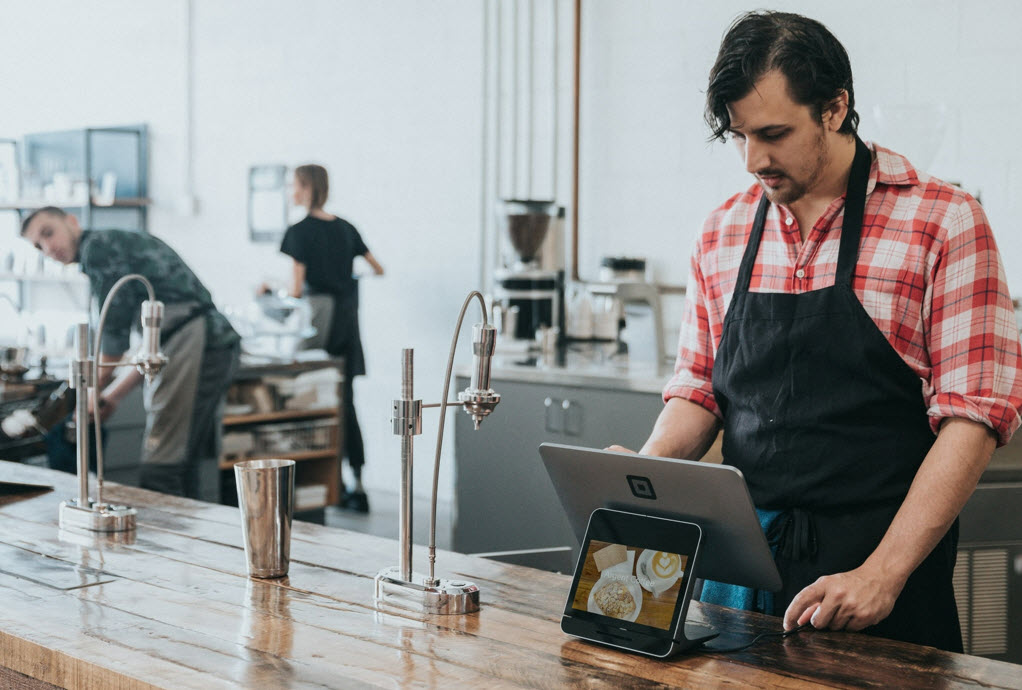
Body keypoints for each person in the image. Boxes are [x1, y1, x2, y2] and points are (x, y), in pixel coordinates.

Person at [611, 11, 1022, 652]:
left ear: (835, 108)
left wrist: (882, 574)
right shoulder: (721, 233)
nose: (754, 160)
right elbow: (698, 390)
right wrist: (643, 472)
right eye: (739, 136)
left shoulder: (944, 223)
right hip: (738, 579)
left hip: (878, 578)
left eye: (773, 133)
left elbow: (973, 420)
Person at [21, 207, 241, 499]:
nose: (48, 248)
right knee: (178, 463)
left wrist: (90, 392)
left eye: (48, 233)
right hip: (201, 342)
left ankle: (170, 541)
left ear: (72, 222)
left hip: (200, 341)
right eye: (38, 246)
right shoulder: (112, 245)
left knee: (162, 467)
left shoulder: (99, 249)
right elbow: (152, 350)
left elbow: (113, 340)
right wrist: (111, 395)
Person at [278, 164, 383, 513]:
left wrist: (270, 290)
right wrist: (348, 277)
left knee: (309, 399)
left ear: (306, 187)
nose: (290, 189)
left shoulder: (298, 231)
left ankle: (317, 484)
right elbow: (377, 268)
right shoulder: (346, 228)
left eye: (293, 184)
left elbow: (294, 291)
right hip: (347, 321)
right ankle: (358, 483)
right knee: (345, 401)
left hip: (318, 321)